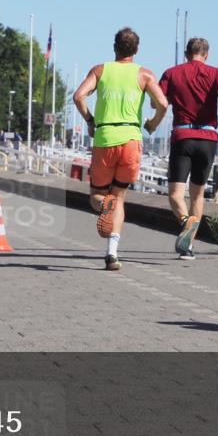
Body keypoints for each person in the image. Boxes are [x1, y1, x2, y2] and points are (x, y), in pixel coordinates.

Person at [73, 27, 168, 271]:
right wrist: (152, 124)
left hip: (105, 137)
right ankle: (112, 254)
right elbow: (163, 103)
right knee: (120, 198)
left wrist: (90, 121)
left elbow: (79, 96)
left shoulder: (100, 70)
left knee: (97, 196)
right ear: (136, 50)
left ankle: (105, 206)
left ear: (115, 47)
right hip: (131, 140)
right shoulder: (144, 75)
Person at [147, 37, 218, 261]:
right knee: (197, 195)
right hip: (208, 139)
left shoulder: (171, 73)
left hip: (183, 137)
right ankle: (189, 245)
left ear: (186, 53)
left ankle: (186, 225)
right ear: (207, 54)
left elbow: (157, 102)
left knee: (175, 194)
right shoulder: (217, 72)